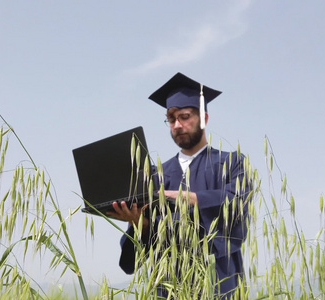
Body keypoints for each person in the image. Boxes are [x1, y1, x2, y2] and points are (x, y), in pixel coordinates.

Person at [107, 72, 253, 298]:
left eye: (184, 116)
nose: (177, 125)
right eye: (171, 119)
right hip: (168, 289)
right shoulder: (156, 176)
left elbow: (237, 205)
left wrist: (188, 198)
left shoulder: (232, 163)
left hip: (218, 287)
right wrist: (140, 224)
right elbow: (134, 259)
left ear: (203, 118)